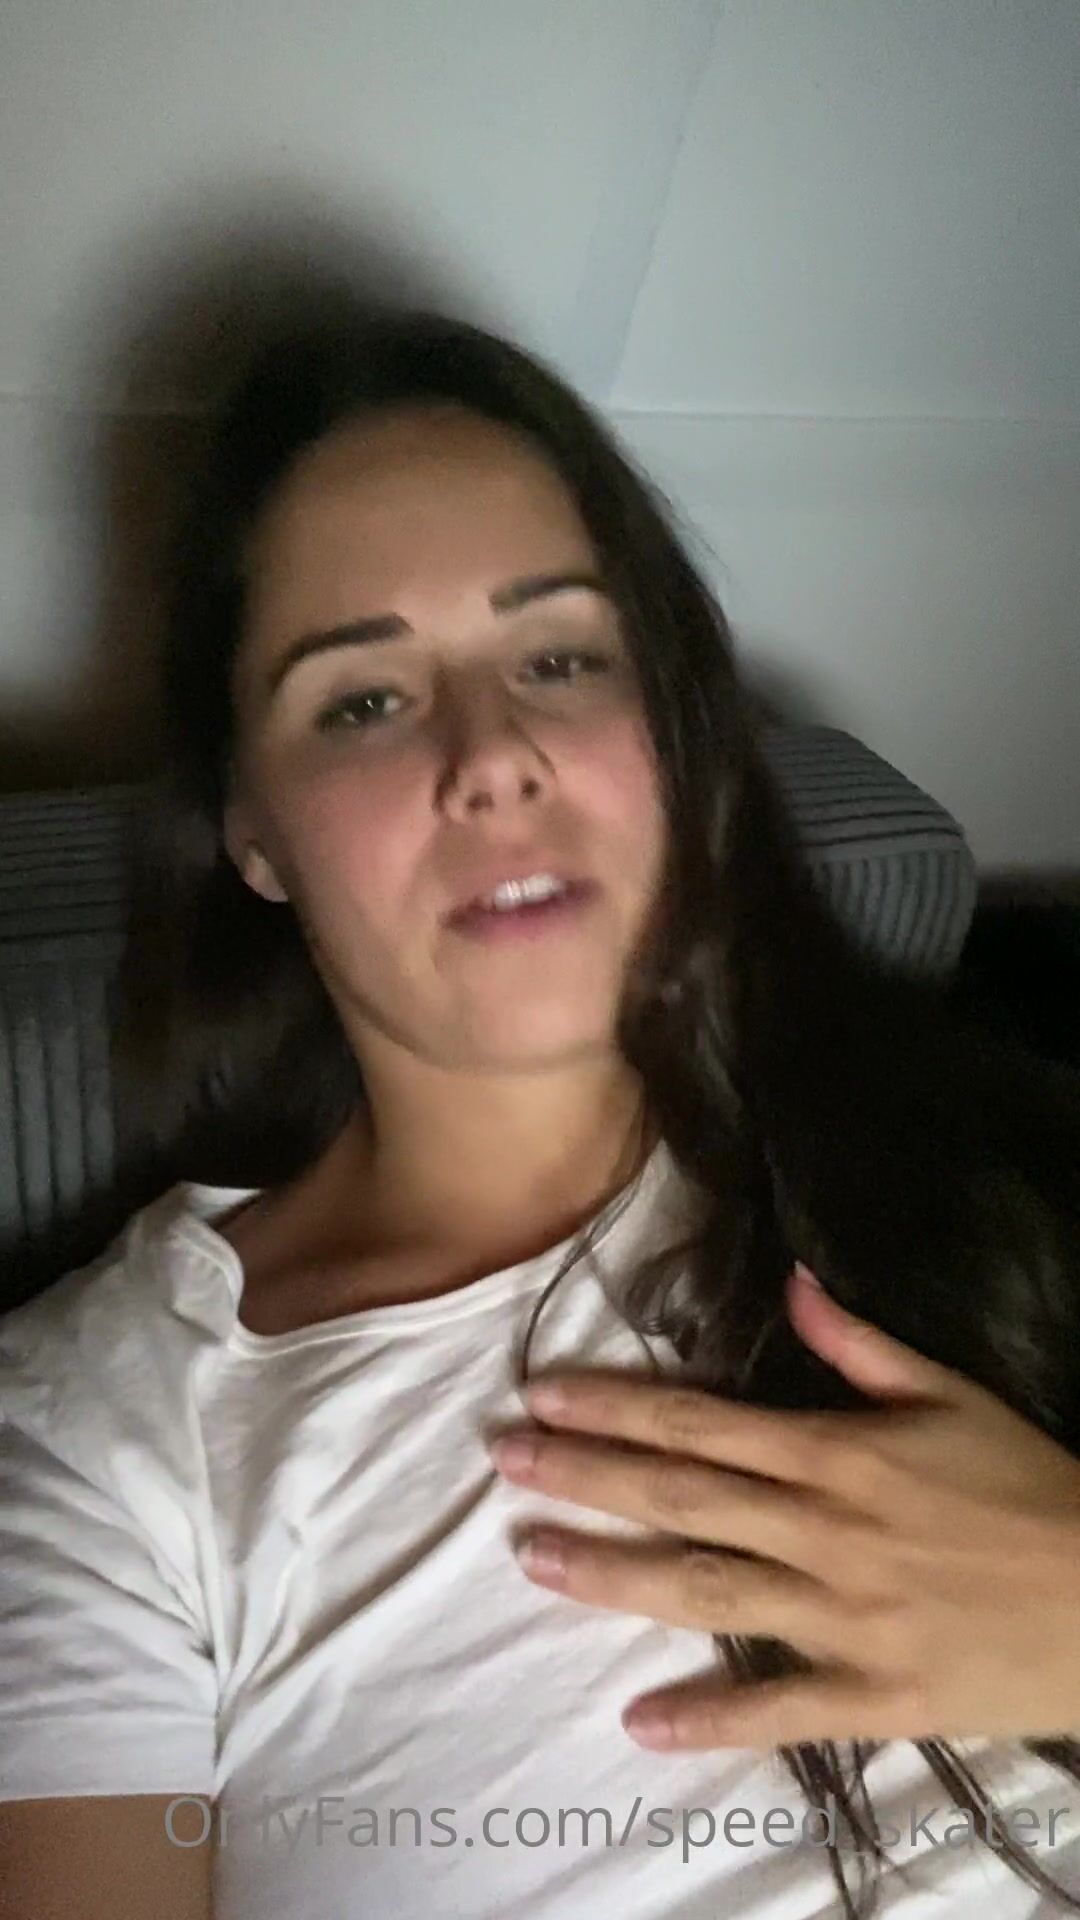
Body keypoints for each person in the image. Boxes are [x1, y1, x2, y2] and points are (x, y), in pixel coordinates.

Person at [2, 302, 1079, 1920]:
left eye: (560, 659)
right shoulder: (100, 1434)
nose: (493, 756)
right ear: (254, 831)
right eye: (362, 701)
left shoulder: (1005, 1168)